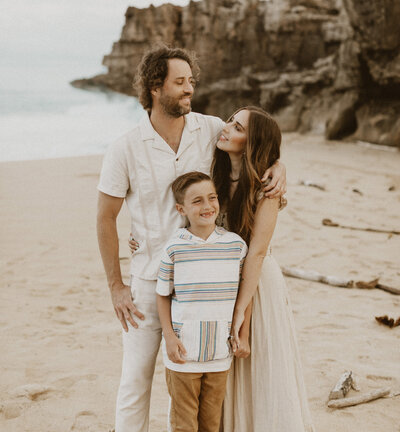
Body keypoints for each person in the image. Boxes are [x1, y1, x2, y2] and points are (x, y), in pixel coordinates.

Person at [96, 46, 286, 432]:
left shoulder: (211, 128)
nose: (189, 90)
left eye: (191, 82)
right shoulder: (124, 148)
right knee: (135, 382)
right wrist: (117, 286)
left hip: (209, 283)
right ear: (155, 87)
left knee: (195, 388)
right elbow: (105, 218)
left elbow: (255, 142)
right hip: (149, 283)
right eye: (180, 83)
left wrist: (282, 167)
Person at [212, 106, 315, 432]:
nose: (226, 128)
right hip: (223, 279)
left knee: (262, 366)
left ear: (252, 142)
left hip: (257, 283)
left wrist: (241, 309)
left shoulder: (266, 188)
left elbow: (256, 253)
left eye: (237, 127)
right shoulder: (215, 170)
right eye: (230, 120)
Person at [156, 171, 247, 432]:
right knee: (184, 424)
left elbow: (244, 295)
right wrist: (170, 337)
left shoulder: (235, 246)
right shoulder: (175, 247)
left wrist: (244, 334)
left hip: (220, 353)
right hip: (183, 355)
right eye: (197, 201)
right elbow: (162, 295)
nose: (207, 206)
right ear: (181, 208)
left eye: (212, 198)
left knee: (211, 423)